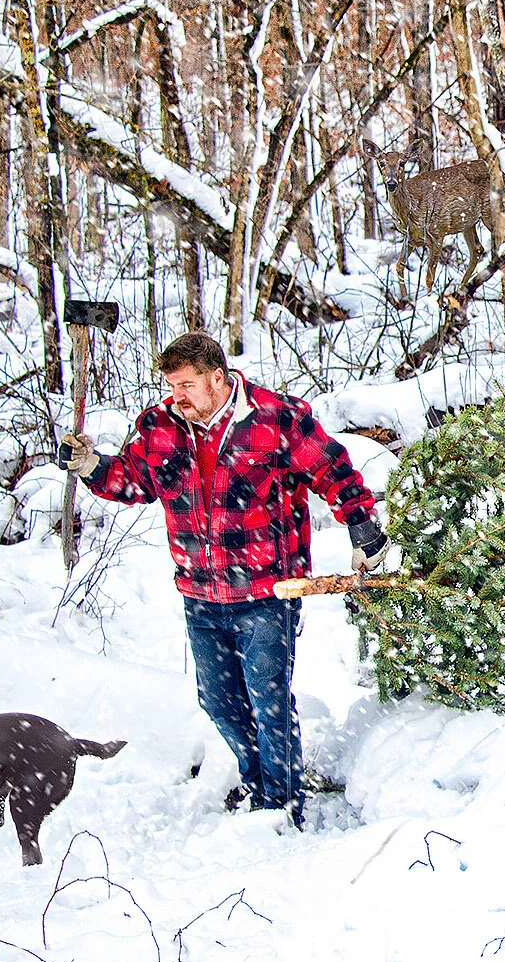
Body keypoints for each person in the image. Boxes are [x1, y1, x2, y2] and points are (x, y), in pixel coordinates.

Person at [55, 331, 388, 826]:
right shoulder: (161, 427)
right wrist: (91, 466)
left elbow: (332, 469)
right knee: (218, 700)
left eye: (187, 384)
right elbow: (133, 480)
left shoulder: (276, 418)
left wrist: (362, 526)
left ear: (218, 377)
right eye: (171, 386)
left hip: (267, 590)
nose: (177, 396)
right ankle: (257, 780)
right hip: (200, 591)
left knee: (268, 698)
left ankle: (280, 803)